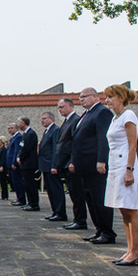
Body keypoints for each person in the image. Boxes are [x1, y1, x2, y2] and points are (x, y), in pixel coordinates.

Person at [103, 84, 138, 266]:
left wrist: (129, 170)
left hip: (126, 165)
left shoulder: (128, 115)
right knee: (123, 209)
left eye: (110, 97)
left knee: (130, 208)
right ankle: (129, 249)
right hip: (115, 165)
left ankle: (136, 251)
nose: (108, 100)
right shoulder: (115, 118)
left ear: (120, 97)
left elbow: (132, 144)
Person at [70, 87, 116, 245]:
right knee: (90, 198)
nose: (81, 99)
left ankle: (108, 232)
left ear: (96, 97)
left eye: (84, 96)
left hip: (95, 165)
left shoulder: (102, 112)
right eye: (79, 97)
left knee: (99, 199)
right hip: (85, 165)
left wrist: (102, 159)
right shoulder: (87, 113)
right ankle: (99, 229)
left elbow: (103, 138)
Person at [55, 97, 82, 230]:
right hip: (64, 163)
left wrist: (73, 161)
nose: (60, 110)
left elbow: (75, 143)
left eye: (62, 107)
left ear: (71, 106)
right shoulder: (66, 121)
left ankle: (80, 220)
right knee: (72, 193)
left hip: (70, 163)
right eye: (59, 108)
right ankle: (77, 218)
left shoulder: (75, 120)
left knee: (77, 194)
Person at [39, 112, 65, 221]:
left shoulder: (55, 130)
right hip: (45, 165)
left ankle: (60, 212)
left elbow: (55, 149)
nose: (42, 121)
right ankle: (55, 211)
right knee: (50, 190)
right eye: (41, 119)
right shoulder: (47, 131)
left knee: (56, 190)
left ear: (51, 119)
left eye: (44, 118)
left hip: (51, 165)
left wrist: (55, 165)